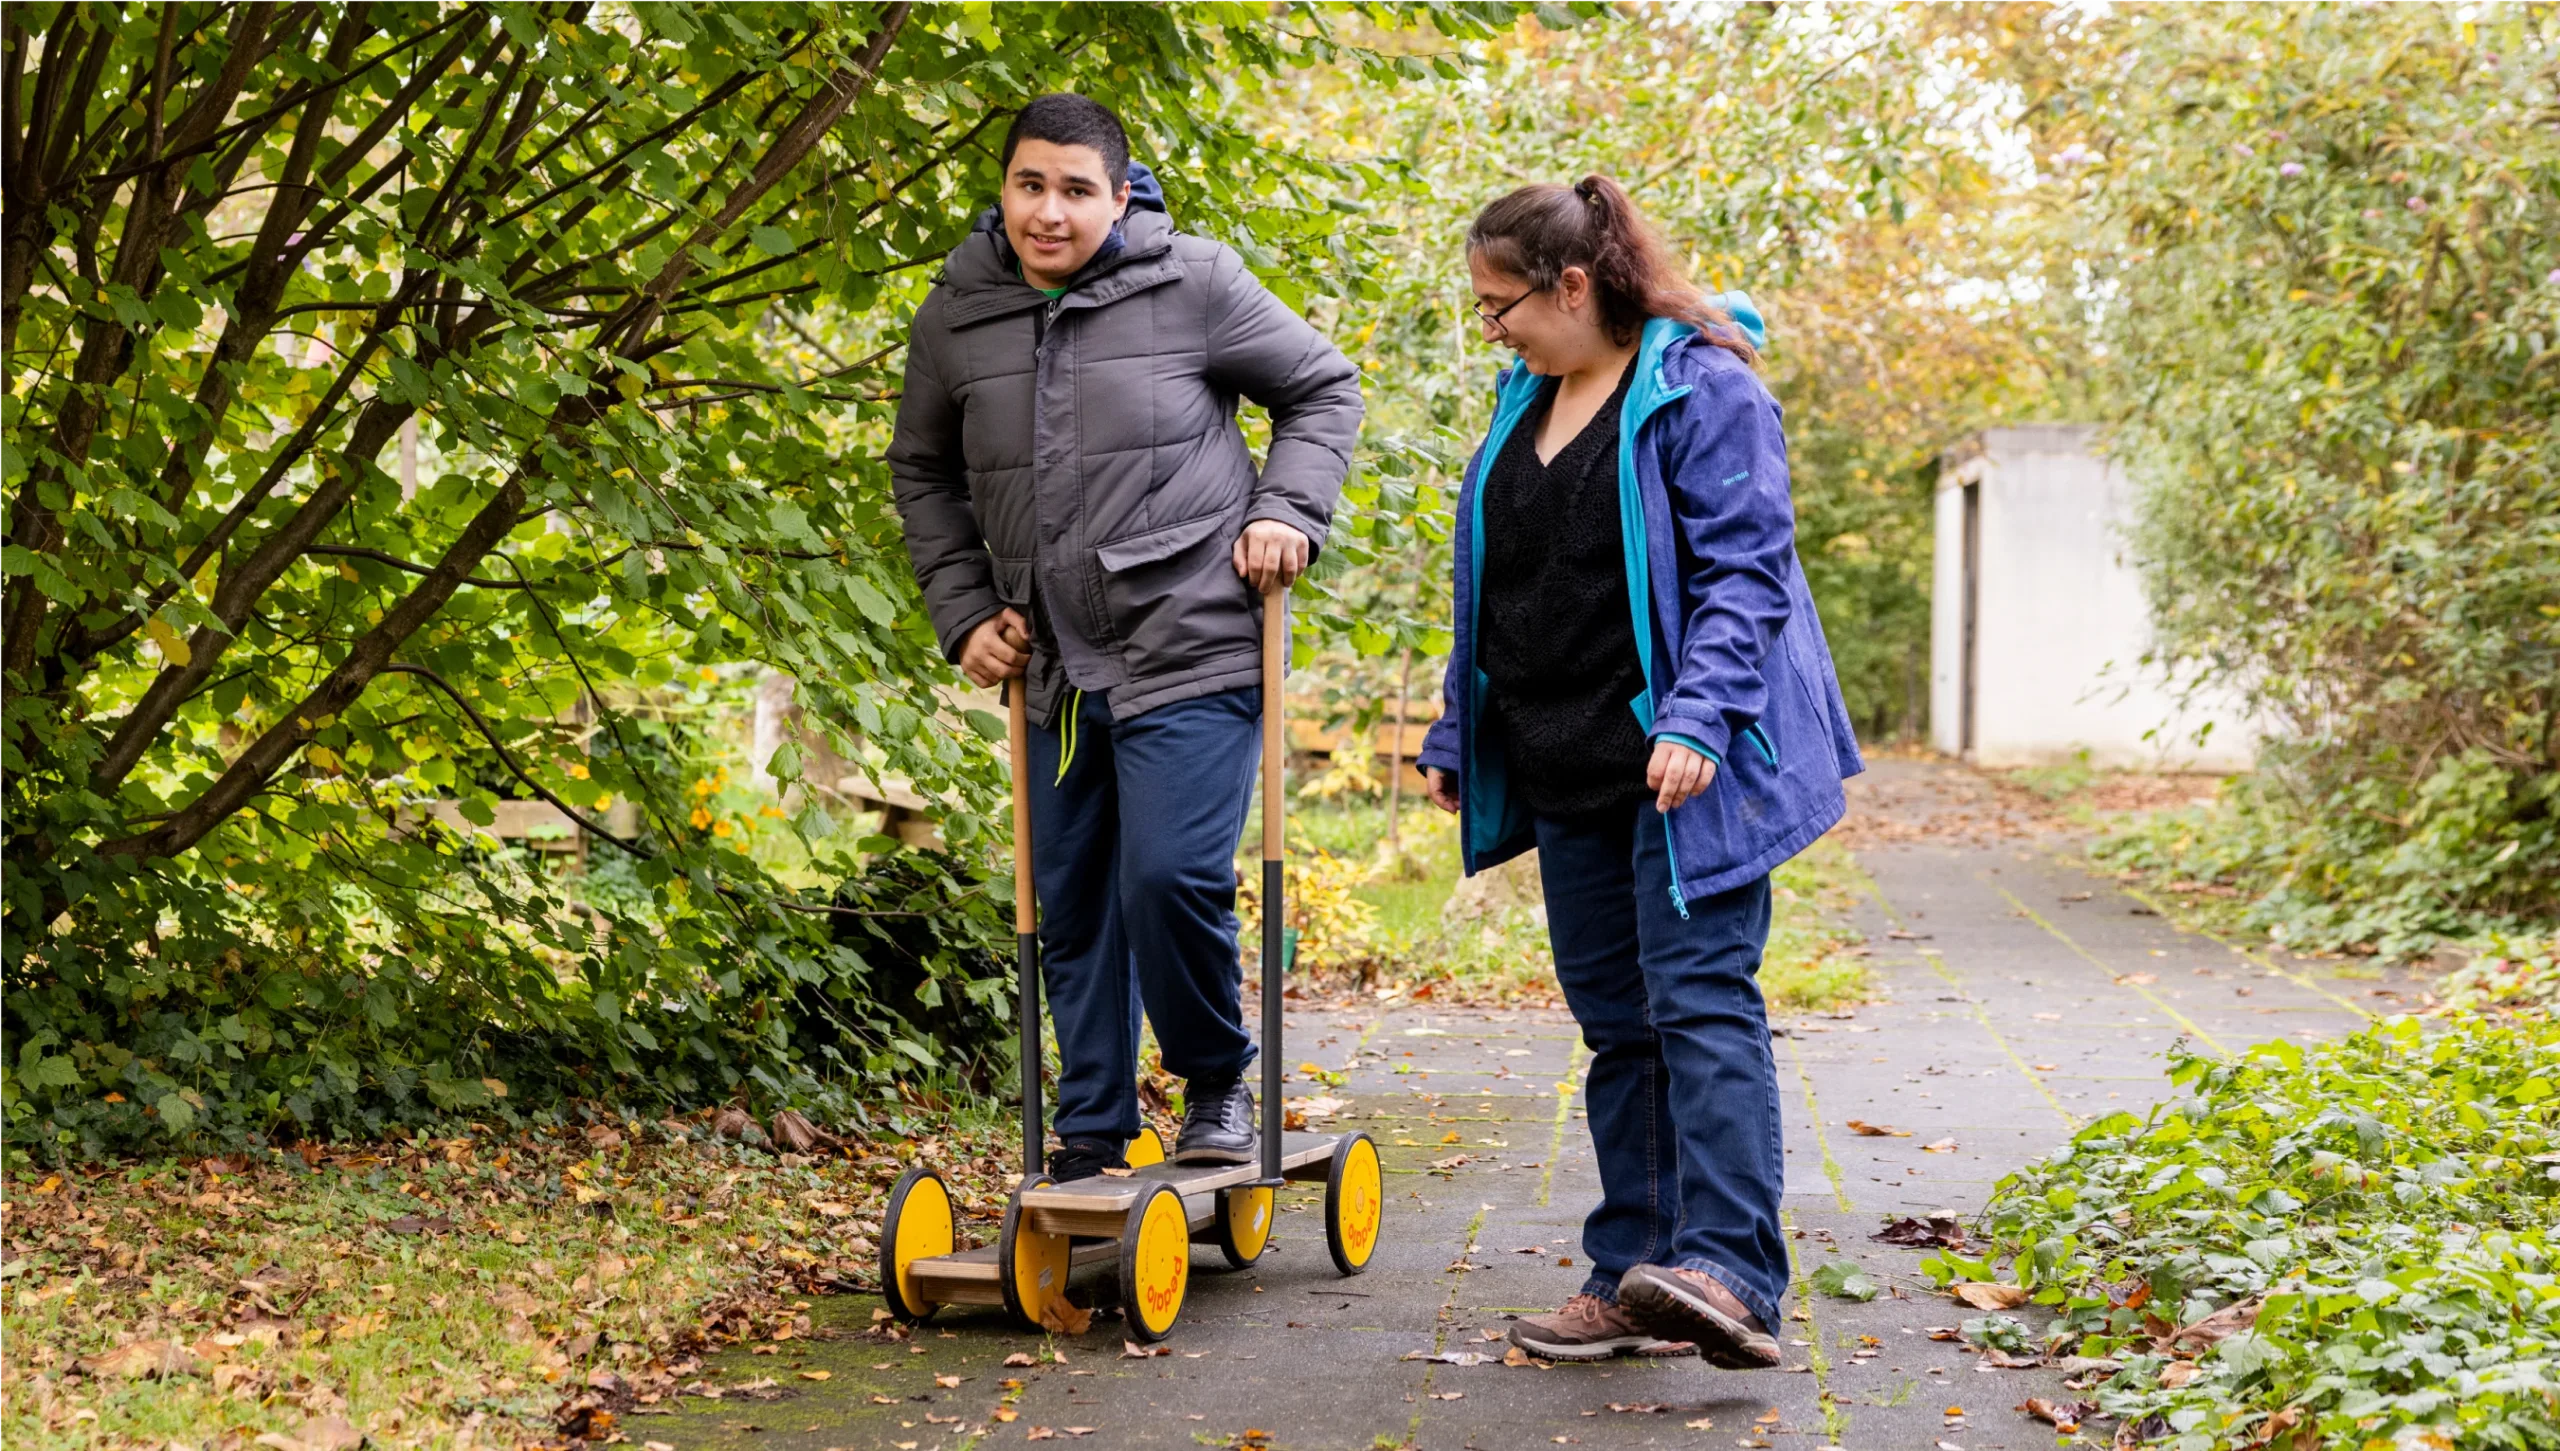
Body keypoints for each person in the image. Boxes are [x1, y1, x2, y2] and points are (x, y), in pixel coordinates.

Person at [1416, 175, 1863, 1369]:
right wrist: (1461, 731)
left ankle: (1730, 1270)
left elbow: (1746, 573)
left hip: (1687, 767)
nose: (1490, 328)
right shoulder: (1527, 396)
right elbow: (1494, 583)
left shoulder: (1701, 388)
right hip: (1565, 759)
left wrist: (1701, 715)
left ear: (1573, 284)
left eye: (1499, 303)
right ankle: (1632, 1272)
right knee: (1619, 1025)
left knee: (1700, 1001)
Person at [888, 95, 1363, 1178]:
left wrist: (1285, 509)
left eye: (1074, 189)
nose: (1048, 212)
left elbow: (1322, 389)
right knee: (1071, 901)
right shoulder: (956, 312)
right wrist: (963, 613)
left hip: (1190, 638)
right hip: (1051, 662)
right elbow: (923, 471)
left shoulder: (1192, 281)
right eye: (1029, 185)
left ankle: (1216, 1081)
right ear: (1002, 187)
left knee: (1168, 878)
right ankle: (1093, 1124)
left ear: (1118, 192)